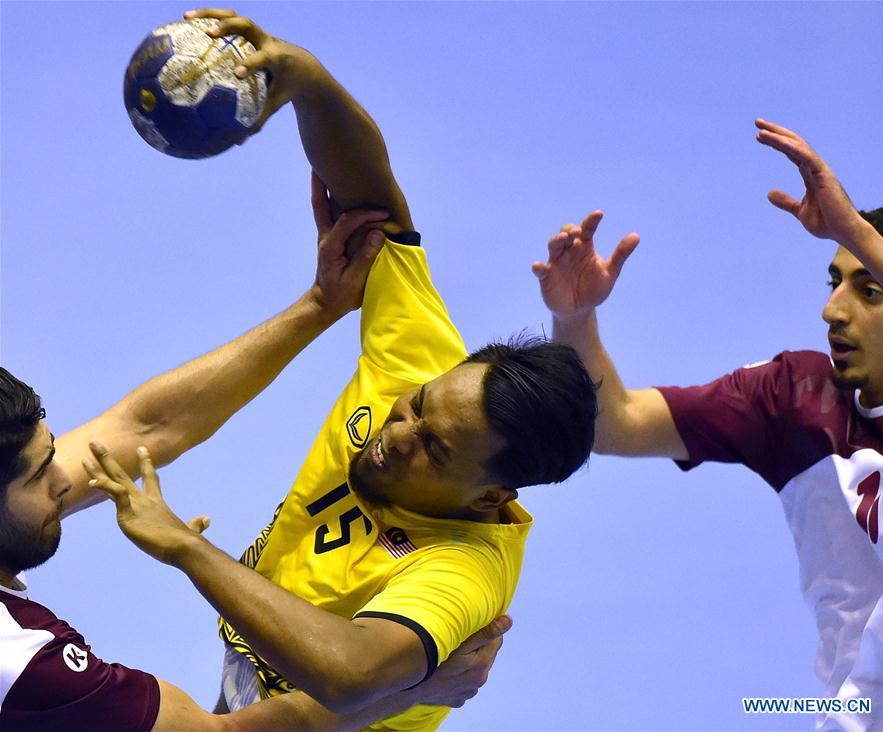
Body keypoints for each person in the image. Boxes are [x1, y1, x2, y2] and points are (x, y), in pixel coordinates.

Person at [82, 8, 598, 731]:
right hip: (246, 689)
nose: (397, 431)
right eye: (417, 406)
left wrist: (185, 547)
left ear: (489, 497)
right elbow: (372, 207)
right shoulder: (422, 367)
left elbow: (347, 677)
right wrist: (309, 82)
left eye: (434, 448)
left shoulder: (463, 570)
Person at [0, 204, 509, 729]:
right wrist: (407, 691)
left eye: (53, 456)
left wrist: (319, 305)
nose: (67, 479)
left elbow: (145, 426)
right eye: (40, 475)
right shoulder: (24, 663)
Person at [532, 118, 883, 731]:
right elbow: (613, 425)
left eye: (871, 290)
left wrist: (852, 229)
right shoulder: (793, 397)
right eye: (835, 282)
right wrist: (576, 320)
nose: (831, 310)